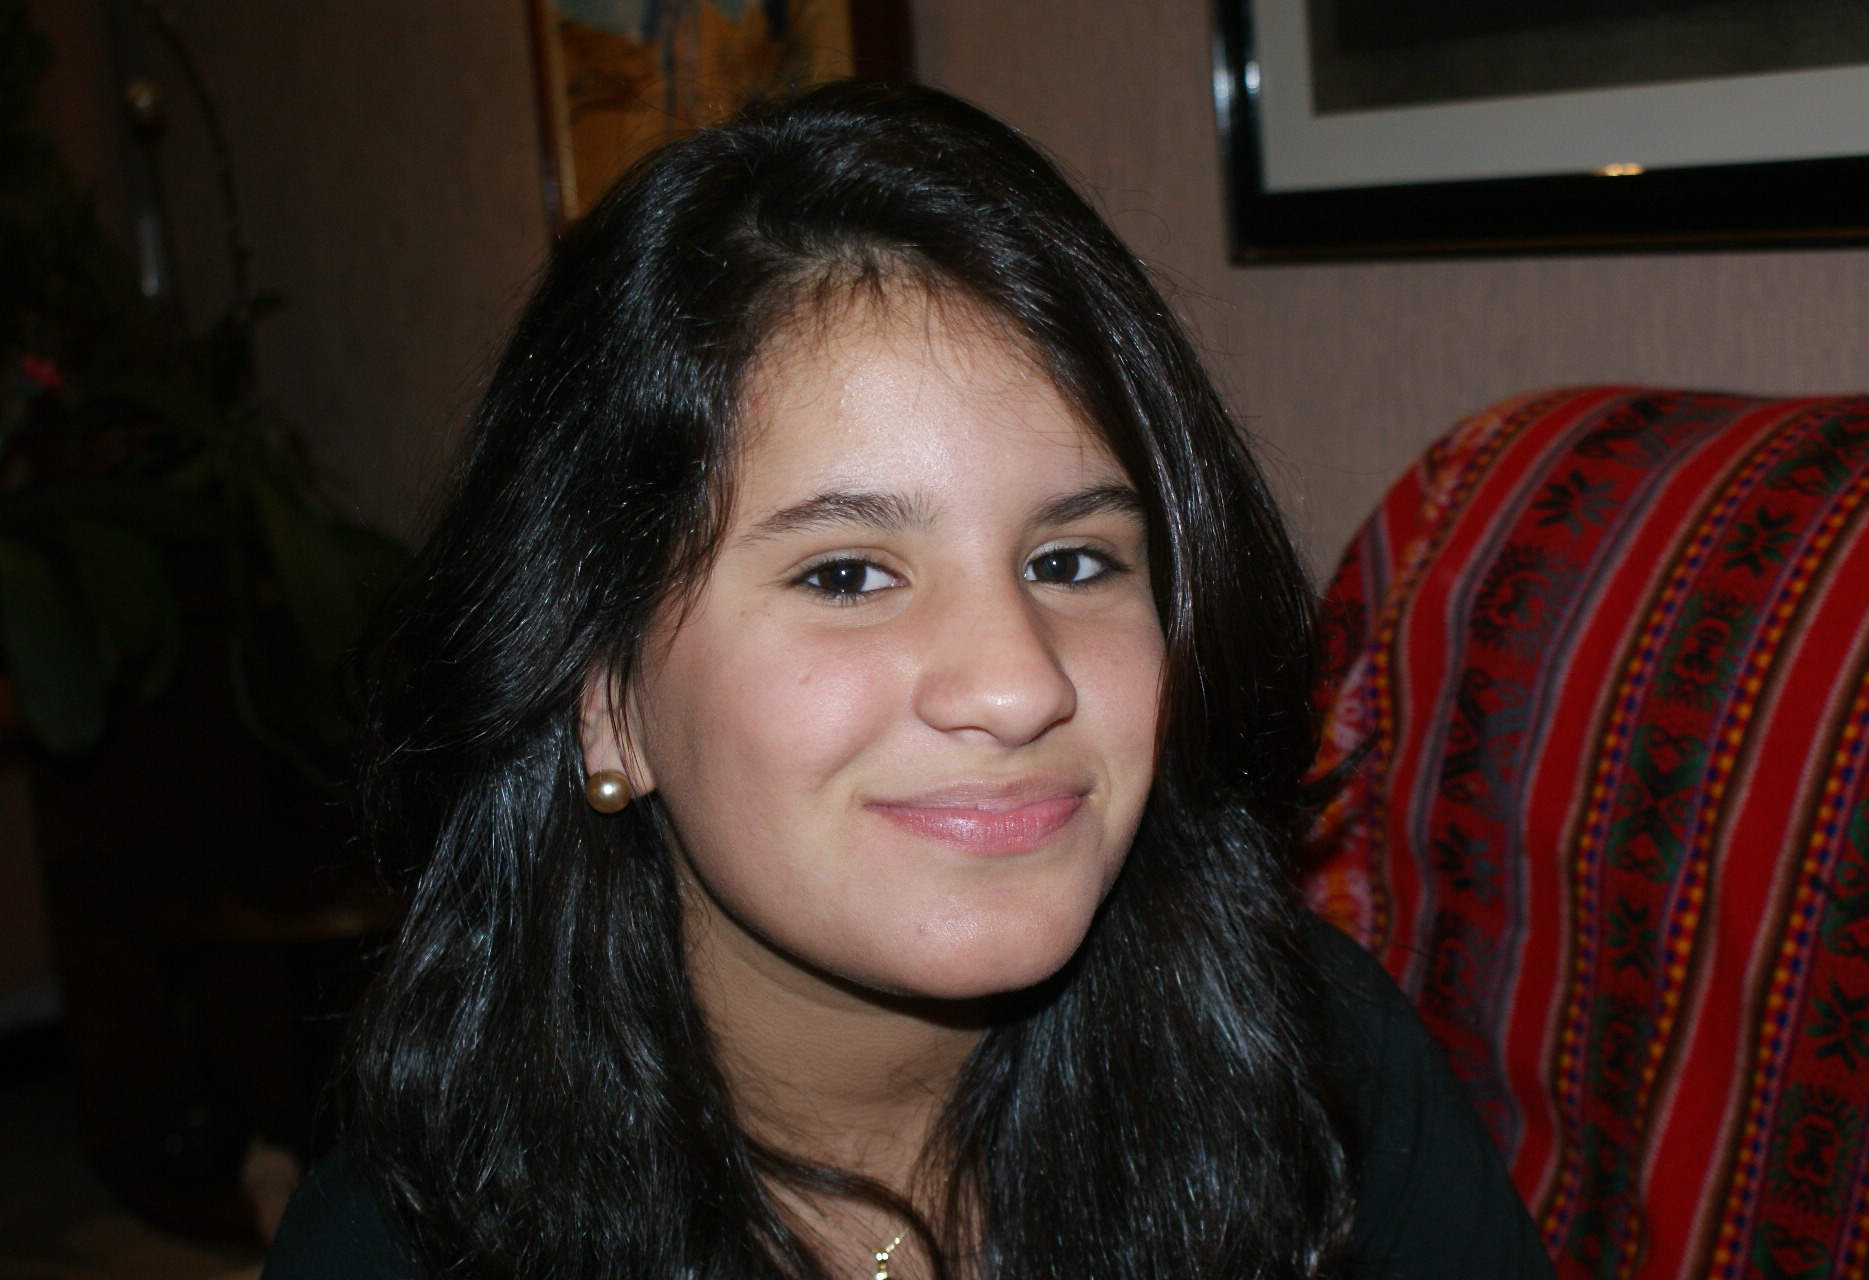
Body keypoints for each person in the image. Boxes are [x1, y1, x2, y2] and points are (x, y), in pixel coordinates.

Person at [263, 81, 1552, 1280]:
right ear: (603, 694)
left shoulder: (1316, 1064)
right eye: (846, 575)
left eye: (1069, 558)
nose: (1016, 684)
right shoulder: (400, 1246)